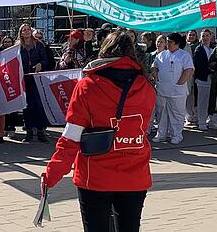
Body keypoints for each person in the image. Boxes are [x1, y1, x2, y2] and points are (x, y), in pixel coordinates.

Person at [42, 30, 155, 232]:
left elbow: (71, 138)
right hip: (134, 174)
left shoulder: (87, 86)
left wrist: (52, 175)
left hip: (95, 176)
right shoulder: (146, 87)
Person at [150, 33, 194, 144]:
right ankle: (161, 134)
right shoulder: (161, 54)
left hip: (177, 91)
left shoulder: (184, 55)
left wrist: (180, 82)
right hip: (162, 89)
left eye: (170, 41)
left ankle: (176, 135)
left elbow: (189, 69)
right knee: (161, 113)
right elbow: (154, 66)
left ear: (176, 43)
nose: (167, 43)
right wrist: (155, 75)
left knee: (177, 114)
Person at [193, 30, 217, 131]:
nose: (205, 38)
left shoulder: (214, 48)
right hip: (203, 78)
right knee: (202, 101)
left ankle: (213, 121)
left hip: (214, 78)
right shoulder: (198, 50)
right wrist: (211, 69)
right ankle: (202, 122)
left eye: (207, 35)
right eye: (203, 36)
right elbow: (199, 66)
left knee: (213, 101)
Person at [184, 30, 199, 126]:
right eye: (190, 35)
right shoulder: (184, 46)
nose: (192, 36)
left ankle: (195, 115)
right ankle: (188, 116)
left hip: (197, 74)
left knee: (195, 96)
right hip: (187, 74)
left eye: (193, 35)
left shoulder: (199, 46)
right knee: (187, 95)